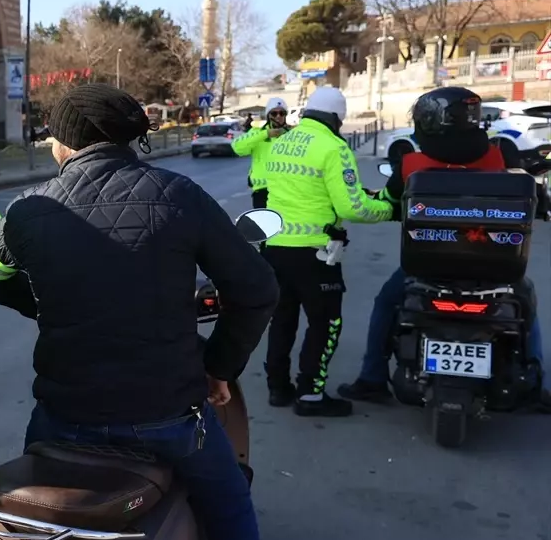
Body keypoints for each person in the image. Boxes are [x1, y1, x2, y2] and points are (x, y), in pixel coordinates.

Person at [0, 83, 291, 540]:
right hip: (167, 416)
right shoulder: (178, 194)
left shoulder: (29, 209)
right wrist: (219, 368)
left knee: (34, 528)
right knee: (232, 510)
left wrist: (50, 303)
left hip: (63, 418)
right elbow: (257, 288)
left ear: (64, 142)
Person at [338, 85, 549, 406]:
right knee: (526, 305)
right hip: (495, 267)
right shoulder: (498, 155)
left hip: (427, 267)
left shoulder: (410, 164)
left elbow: (389, 202)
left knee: (386, 303)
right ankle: (535, 386)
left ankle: (372, 378)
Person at [260, 86, 393, 415]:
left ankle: (278, 388)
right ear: (336, 117)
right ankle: (311, 395)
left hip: (275, 249)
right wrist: (388, 209)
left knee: (282, 320)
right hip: (315, 254)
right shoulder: (334, 147)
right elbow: (351, 207)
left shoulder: (282, 142)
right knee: (326, 324)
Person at [232, 98, 290, 209]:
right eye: (274, 113)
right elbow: (237, 147)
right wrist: (265, 134)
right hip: (262, 190)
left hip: (286, 190)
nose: (278, 116)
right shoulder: (257, 133)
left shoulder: (292, 135)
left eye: (282, 113)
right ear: (268, 115)